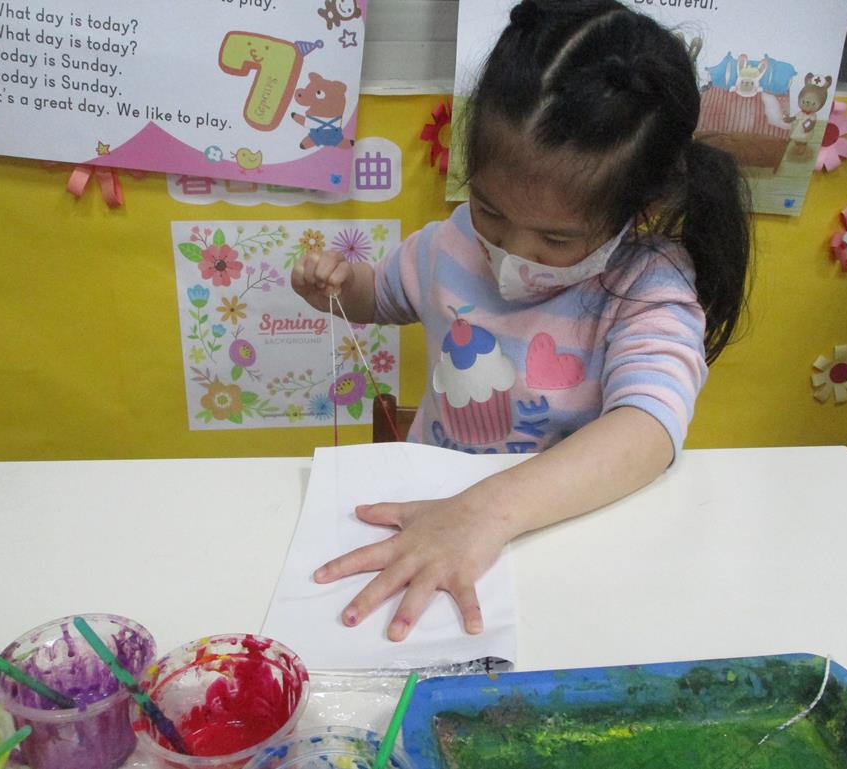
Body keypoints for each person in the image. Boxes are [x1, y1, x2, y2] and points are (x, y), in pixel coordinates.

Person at [292, 0, 751, 642]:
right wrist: (338, 288)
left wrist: (485, 513)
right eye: (490, 211)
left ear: (640, 207)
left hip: (563, 539)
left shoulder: (647, 286)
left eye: (557, 239)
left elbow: (648, 429)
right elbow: (381, 297)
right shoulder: (450, 244)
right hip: (435, 522)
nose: (512, 252)